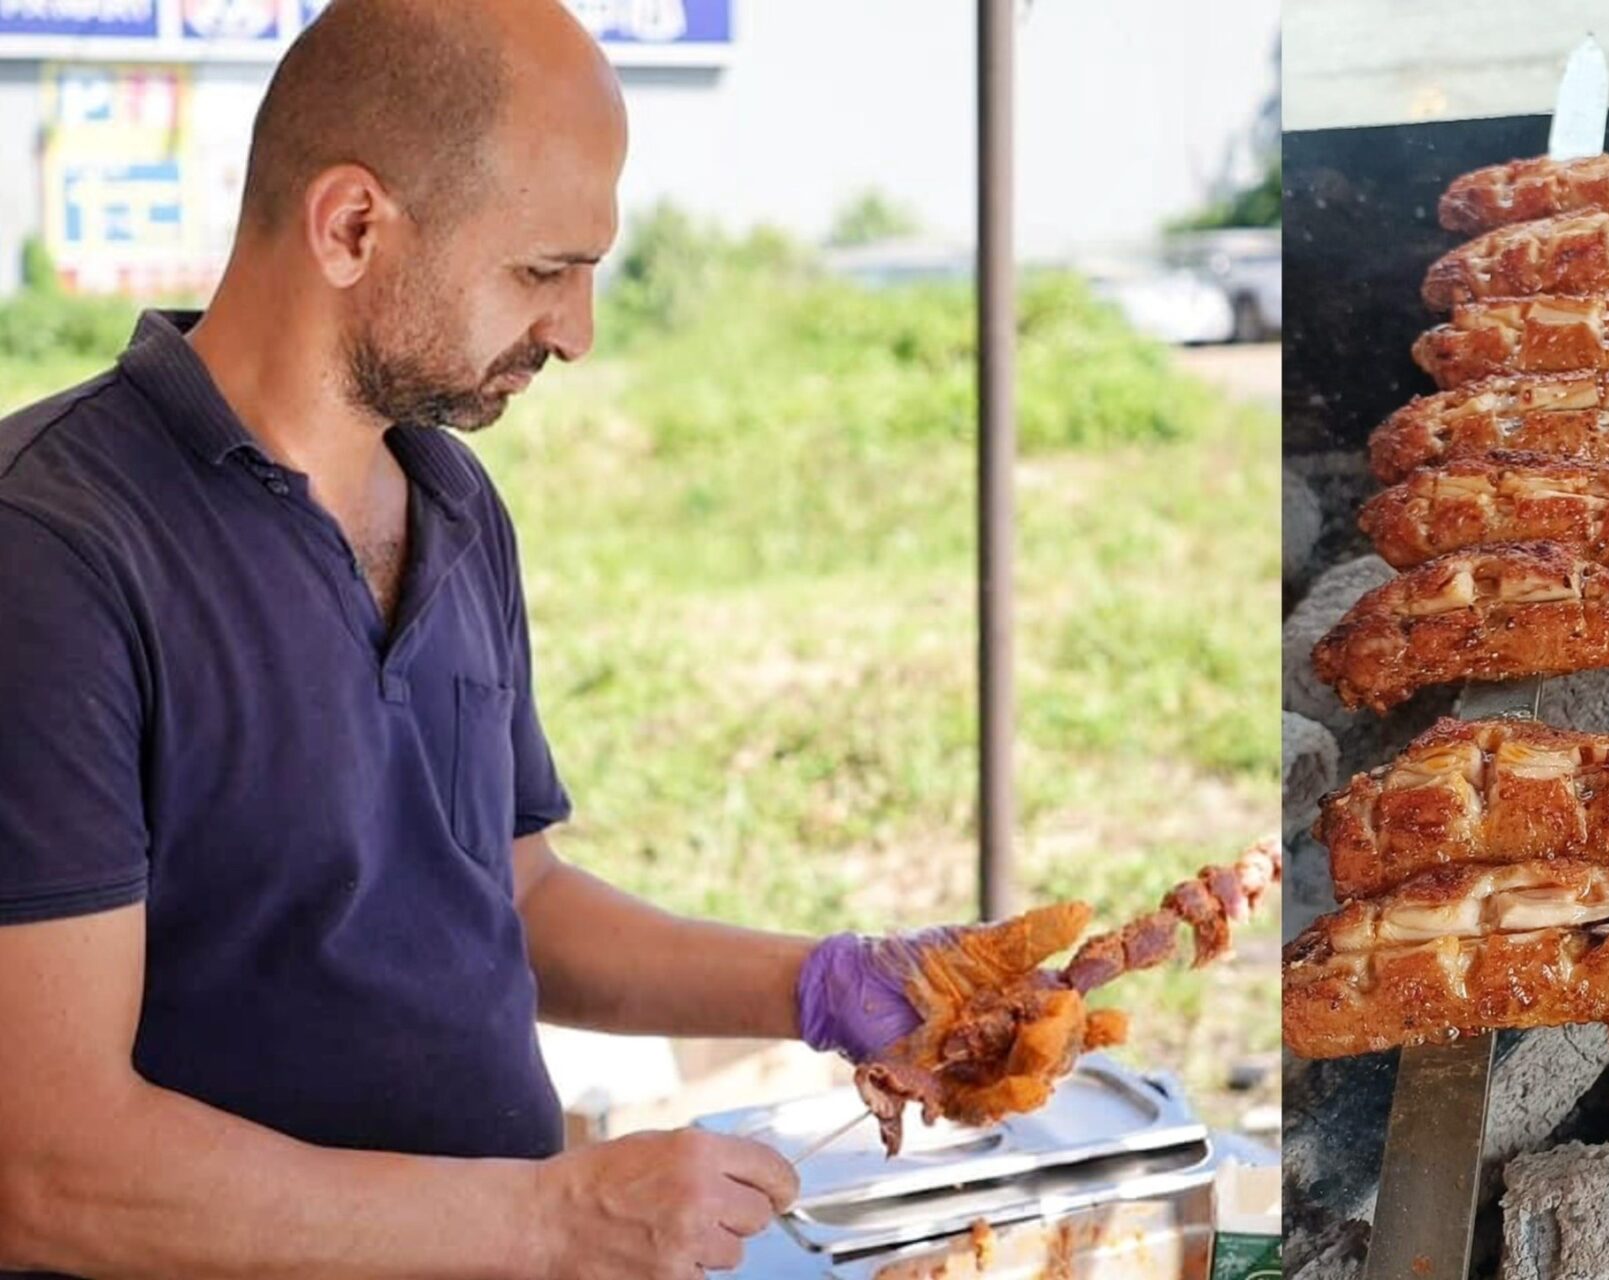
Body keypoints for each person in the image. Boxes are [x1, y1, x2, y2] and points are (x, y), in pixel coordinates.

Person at [0, 3, 1013, 1275]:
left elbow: (511, 894)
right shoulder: (51, 547)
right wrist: (548, 1219)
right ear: (352, 225)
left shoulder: (452, 499)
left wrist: (817, 983)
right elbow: (47, 1167)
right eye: (544, 271)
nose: (577, 332)